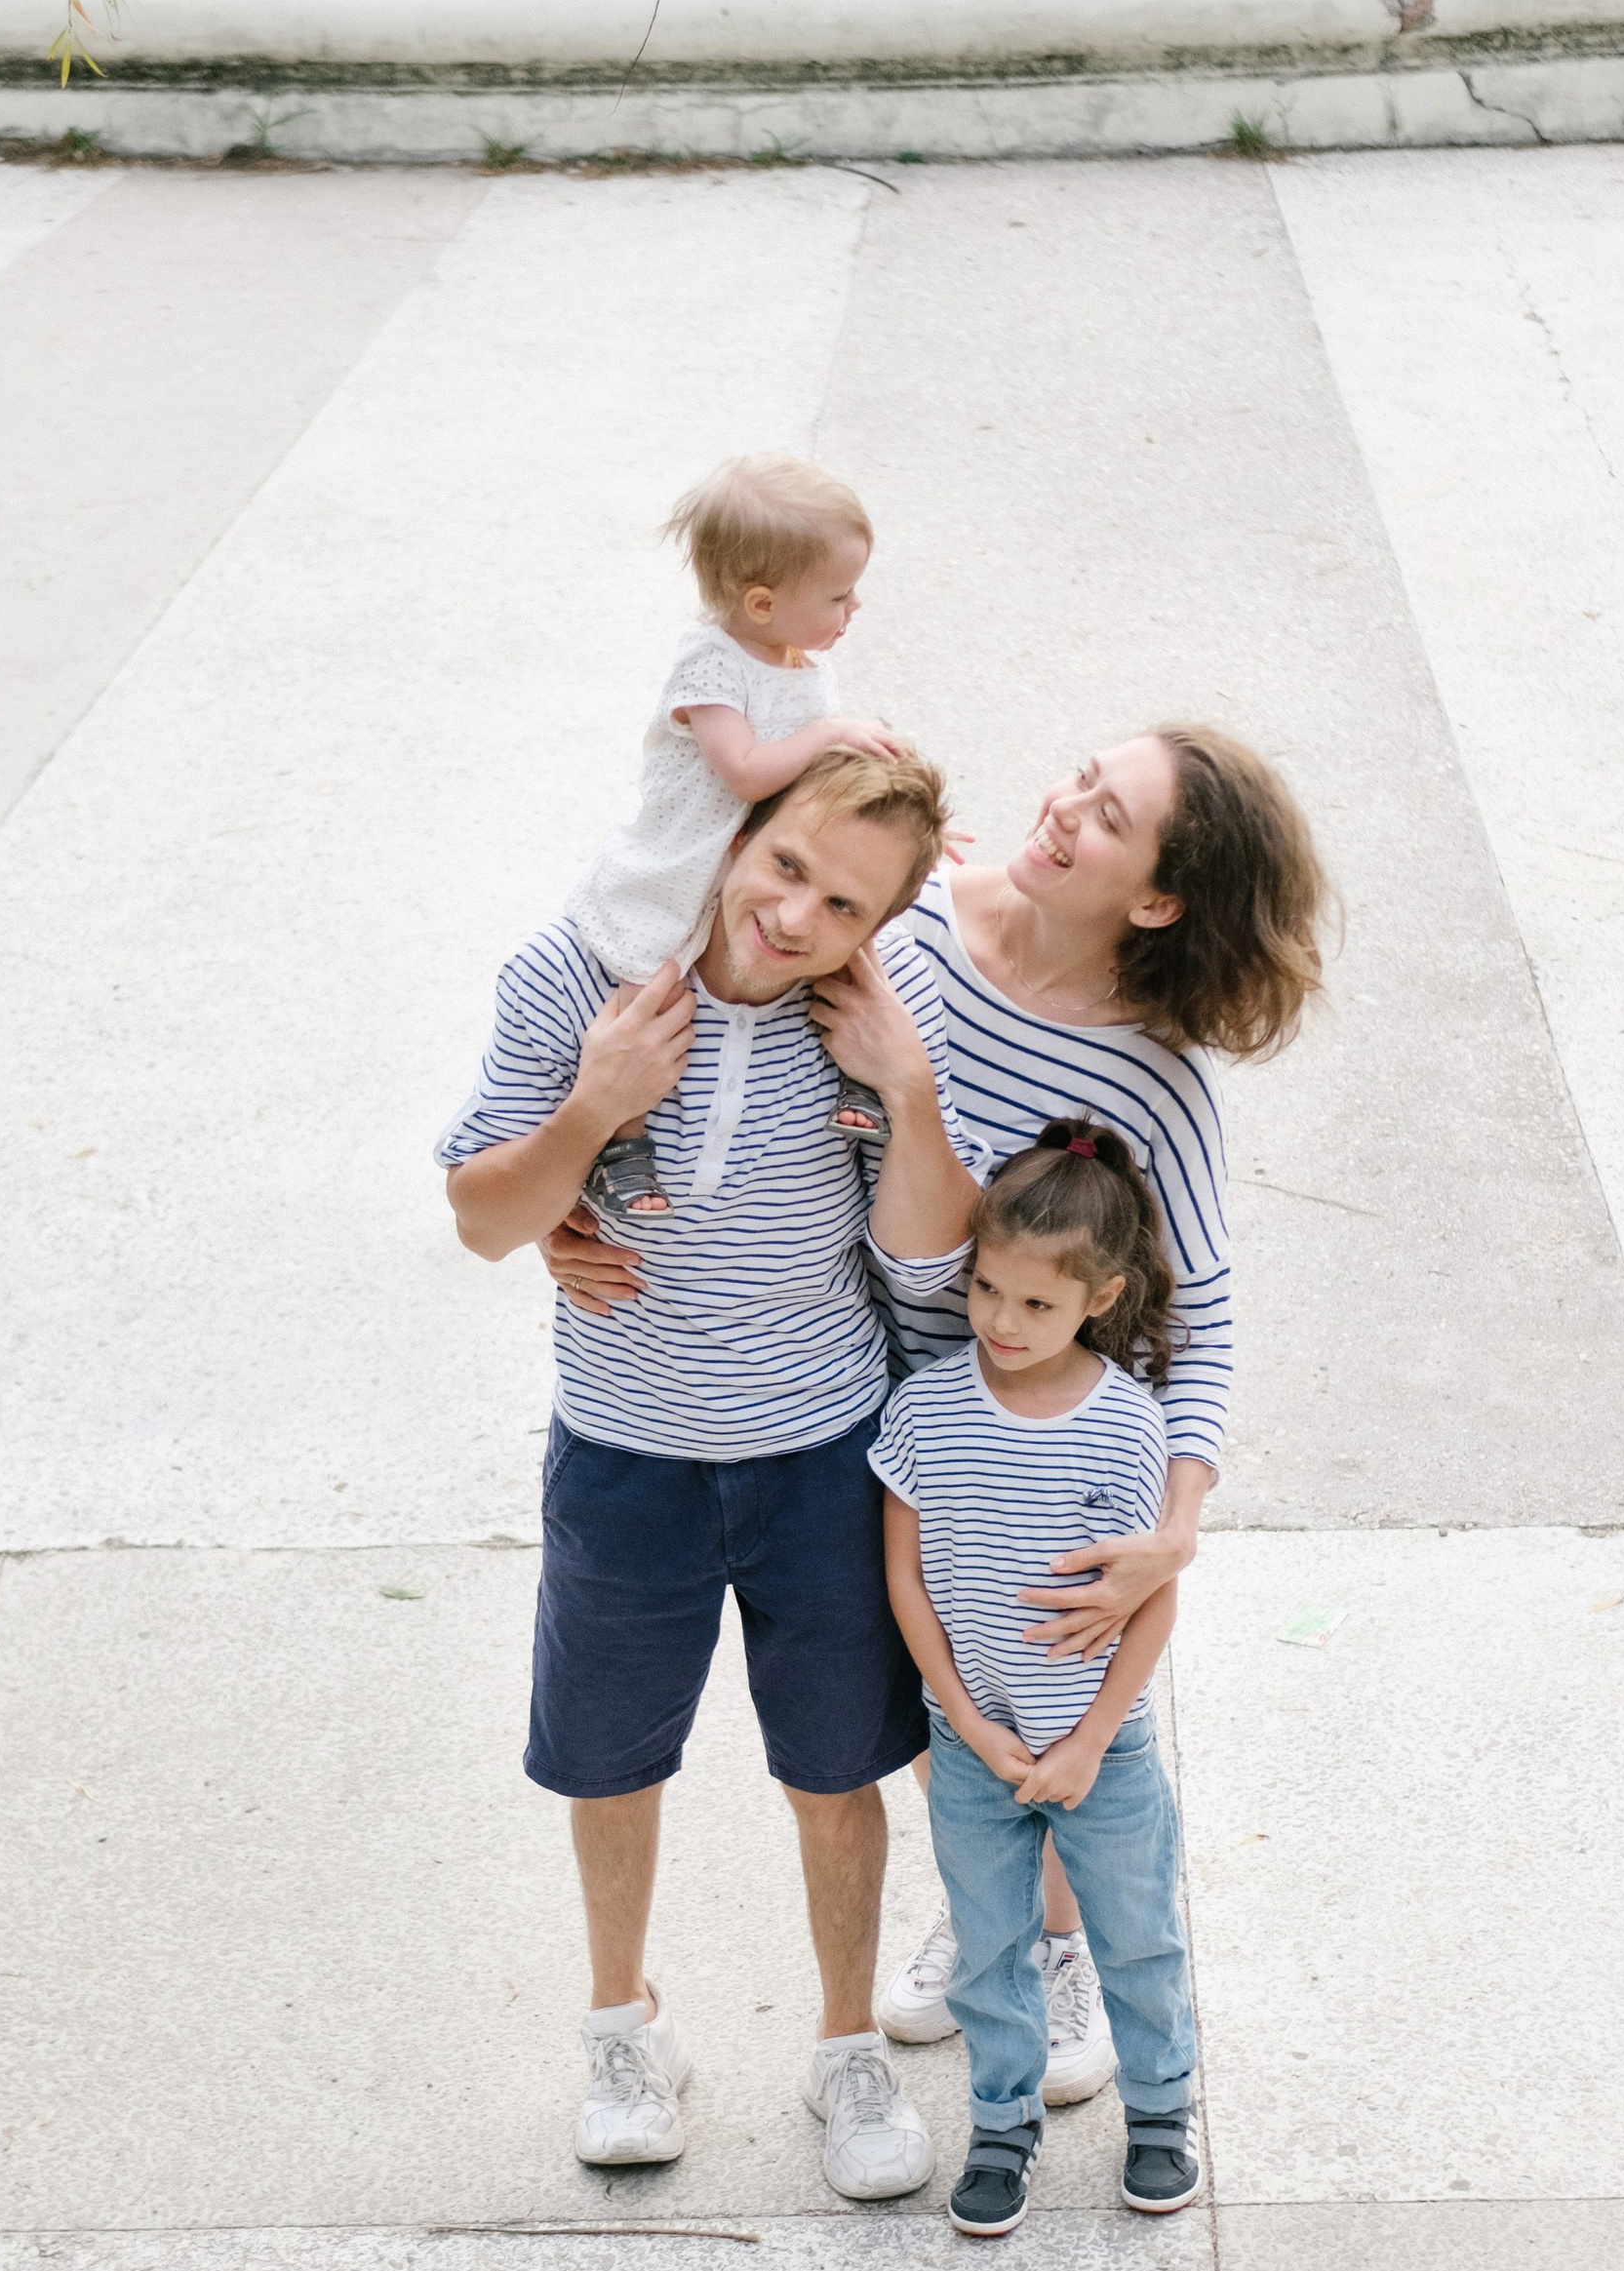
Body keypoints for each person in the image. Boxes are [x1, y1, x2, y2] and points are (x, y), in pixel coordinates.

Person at [542, 725, 1330, 2096]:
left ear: (1155, 900)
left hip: (1036, 1438)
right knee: (925, 1702)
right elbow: (743, 1018)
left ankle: (1061, 1946)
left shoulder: (1153, 1081)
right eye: (1082, 772)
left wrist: (1176, 1530)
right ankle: (994, 1920)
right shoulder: (900, 927)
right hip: (860, 1402)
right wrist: (574, 1202)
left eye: (1109, 816)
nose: (1064, 804)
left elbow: (1197, 1321)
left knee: (1036, 1690)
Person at [439, 742, 979, 2197]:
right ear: (739, 832)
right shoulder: (580, 975)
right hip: (625, 1451)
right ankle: (625, 2030)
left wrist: (909, 1091)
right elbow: (486, 1221)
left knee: (838, 1767)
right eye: (788, 865)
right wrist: (595, 1109)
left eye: (846, 906)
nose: (798, 917)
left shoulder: (875, 1011)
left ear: (882, 928)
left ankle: (846, 2048)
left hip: (820, 1451)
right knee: (608, 1764)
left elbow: (925, 1257)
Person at [873, 1125, 1199, 2238]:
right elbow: (906, 1582)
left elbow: (1152, 1599)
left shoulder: (1125, 1425)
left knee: (1136, 1932)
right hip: (973, 1747)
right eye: (986, 1291)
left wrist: (1087, 1742)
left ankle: (1160, 2112)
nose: (1002, 1324)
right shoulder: (925, 1410)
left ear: (1100, 1298)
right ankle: (1001, 2129)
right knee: (991, 1946)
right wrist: (964, 1719)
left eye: (1035, 1305)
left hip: (1099, 1751)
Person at [568, 454, 898, 1239]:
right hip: (690, 853)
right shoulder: (711, 664)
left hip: (764, 852)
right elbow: (747, 771)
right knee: (647, 980)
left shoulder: (801, 665)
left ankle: (861, 1083)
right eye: (839, 594)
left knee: (846, 942)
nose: (856, 605)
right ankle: (622, 1144)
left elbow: (829, 772)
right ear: (761, 602)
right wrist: (828, 733)